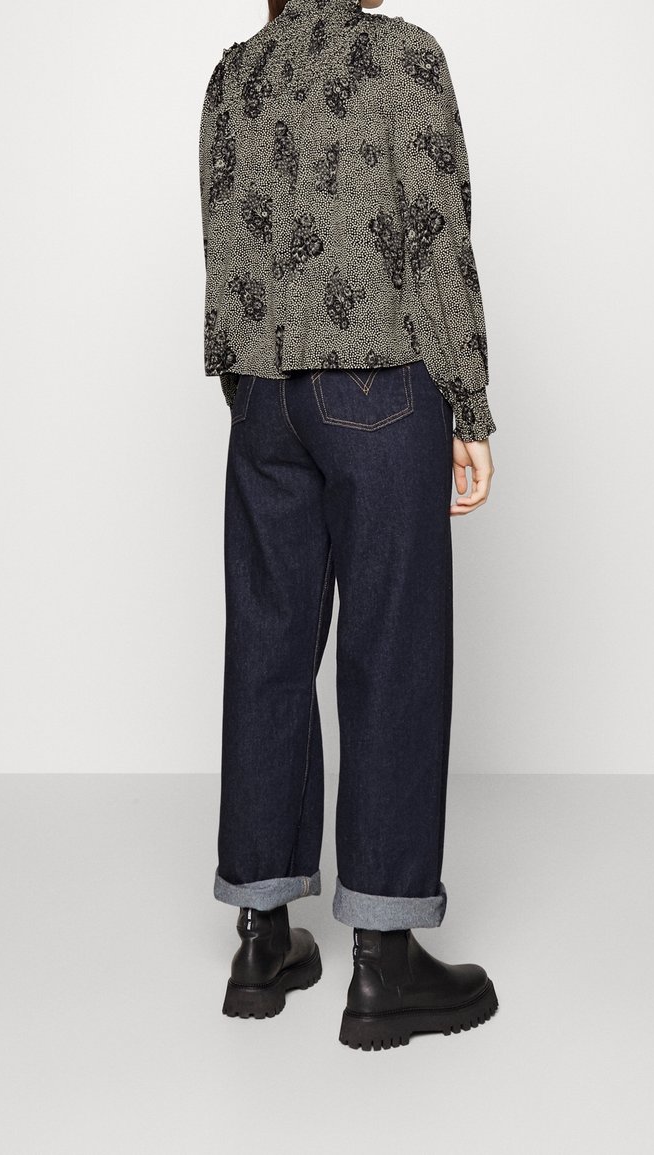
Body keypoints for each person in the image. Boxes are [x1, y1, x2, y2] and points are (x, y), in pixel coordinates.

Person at [198, 0, 498, 1050]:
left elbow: (223, 237)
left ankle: (261, 936)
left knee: (269, 648)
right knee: (392, 649)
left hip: (263, 394)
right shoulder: (400, 55)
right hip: (378, 383)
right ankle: (385, 961)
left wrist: (252, 392)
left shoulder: (233, 73)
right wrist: (468, 404)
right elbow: (435, 235)